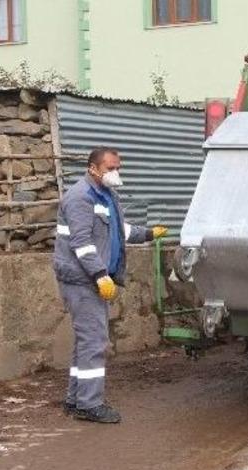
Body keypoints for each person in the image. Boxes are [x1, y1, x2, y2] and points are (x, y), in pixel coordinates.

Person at [52, 147, 167, 424]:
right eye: (111, 168)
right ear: (93, 168)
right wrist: (100, 275)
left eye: (119, 167)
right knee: (94, 341)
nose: (116, 173)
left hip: (92, 279)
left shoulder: (107, 195)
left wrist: (148, 233)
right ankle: (89, 404)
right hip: (83, 281)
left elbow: (118, 230)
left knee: (86, 341)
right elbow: (81, 242)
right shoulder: (81, 197)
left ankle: (75, 399)